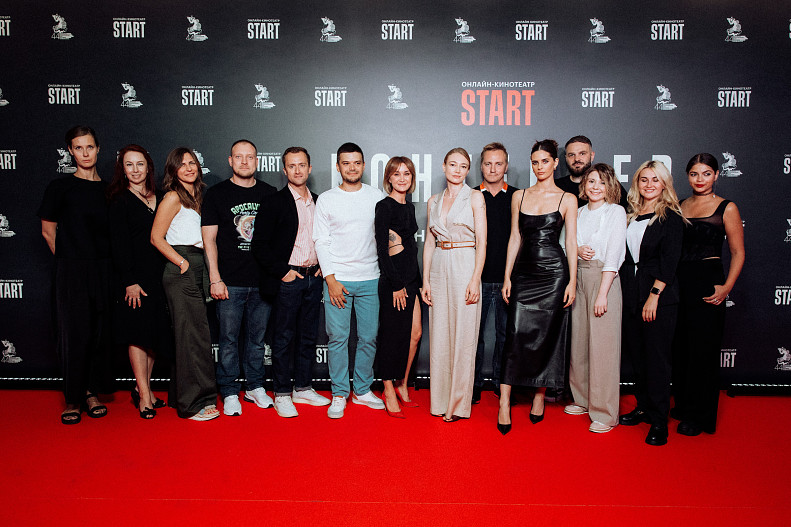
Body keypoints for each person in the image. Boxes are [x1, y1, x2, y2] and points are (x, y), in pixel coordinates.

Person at [498, 139, 577, 434]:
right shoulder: (519, 196)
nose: (539, 167)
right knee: (515, 335)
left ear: (555, 163)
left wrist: (572, 280)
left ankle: (539, 396)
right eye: (535, 162)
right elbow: (515, 238)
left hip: (554, 275)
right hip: (524, 273)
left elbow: (571, 242)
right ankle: (504, 401)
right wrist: (507, 277)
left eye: (545, 161)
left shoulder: (567, 199)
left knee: (547, 336)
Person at [38, 125, 111, 424]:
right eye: (78, 148)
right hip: (71, 269)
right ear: (70, 151)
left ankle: (92, 392)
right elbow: (48, 231)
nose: (85, 153)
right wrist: (71, 259)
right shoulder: (60, 187)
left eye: (89, 147)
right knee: (73, 333)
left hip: (104, 268)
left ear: (98, 149)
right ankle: (73, 398)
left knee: (99, 332)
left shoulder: (110, 190)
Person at [251, 146, 331, 418]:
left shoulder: (320, 202)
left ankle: (303, 387)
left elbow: (327, 240)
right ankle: (282, 393)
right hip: (288, 279)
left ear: (310, 168)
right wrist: (282, 272)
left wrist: (322, 266)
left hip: (313, 279)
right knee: (284, 338)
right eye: (292, 166)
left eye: (302, 165)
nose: (298, 170)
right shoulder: (274, 202)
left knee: (308, 336)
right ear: (284, 170)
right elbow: (259, 245)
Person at [201, 140, 276, 416]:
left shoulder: (269, 194)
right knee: (229, 340)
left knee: (257, 340)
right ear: (230, 160)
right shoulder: (216, 194)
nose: (245, 162)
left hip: (261, 281)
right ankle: (230, 391)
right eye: (239, 157)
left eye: (250, 157)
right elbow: (208, 240)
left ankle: (255, 386)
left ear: (257, 160)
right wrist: (215, 277)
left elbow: (277, 239)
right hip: (229, 281)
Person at [671, 153, 745, 436]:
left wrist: (727, 286)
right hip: (680, 281)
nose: (699, 179)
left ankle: (700, 416)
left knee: (703, 350)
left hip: (707, 280)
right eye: (694, 174)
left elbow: (738, 252)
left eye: (705, 173)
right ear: (687, 176)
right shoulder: (680, 205)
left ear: (716, 175)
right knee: (681, 348)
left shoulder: (727, 207)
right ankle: (683, 405)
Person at [313, 142, 385, 418]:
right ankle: (340, 393)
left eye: (356, 163)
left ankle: (363, 390)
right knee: (338, 338)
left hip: (370, 279)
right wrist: (330, 279)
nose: (352, 168)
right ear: (338, 166)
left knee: (368, 338)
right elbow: (321, 241)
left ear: (363, 165)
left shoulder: (376, 196)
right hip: (338, 280)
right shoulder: (327, 199)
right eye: (346, 163)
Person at [618, 160, 684, 446]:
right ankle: (643, 407)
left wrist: (654, 296)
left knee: (657, 361)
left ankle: (659, 421)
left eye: (655, 180)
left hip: (659, 298)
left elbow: (670, 261)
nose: (649, 185)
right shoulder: (631, 214)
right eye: (644, 179)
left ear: (665, 184)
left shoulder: (670, 216)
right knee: (638, 358)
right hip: (631, 294)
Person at [151, 147, 219, 421]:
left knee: (190, 335)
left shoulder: (198, 197)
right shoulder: (172, 197)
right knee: (193, 337)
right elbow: (156, 237)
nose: (189, 168)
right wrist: (182, 263)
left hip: (198, 264)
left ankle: (180, 395)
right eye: (182, 164)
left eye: (192, 163)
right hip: (183, 265)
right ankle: (193, 405)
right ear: (173, 170)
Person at [421, 147, 487, 422]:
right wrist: (425, 279)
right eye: (453, 164)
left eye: (463, 166)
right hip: (439, 265)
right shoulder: (433, 201)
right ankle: (439, 401)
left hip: (464, 262)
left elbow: (482, 242)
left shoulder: (475, 197)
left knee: (464, 336)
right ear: (444, 166)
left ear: (468, 170)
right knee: (439, 336)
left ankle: (458, 405)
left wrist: (475, 279)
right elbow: (429, 243)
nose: (457, 170)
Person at [107, 145, 172, 419]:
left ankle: (142, 387)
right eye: (129, 165)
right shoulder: (119, 200)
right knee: (137, 334)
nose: (135, 170)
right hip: (134, 278)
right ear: (123, 169)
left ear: (148, 167)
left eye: (140, 164)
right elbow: (118, 245)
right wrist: (129, 281)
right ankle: (144, 394)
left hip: (160, 274)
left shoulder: (162, 197)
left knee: (153, 334)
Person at [566, 163, 627, 433]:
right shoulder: (578, 212)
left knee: (603, 347)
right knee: (579, 343)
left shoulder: (615, 212)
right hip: (579, 275)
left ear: (610, 186)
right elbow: (566, 244)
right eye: (591, 181)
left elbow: (614, 253)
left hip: (604, 278)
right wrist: (577, 249)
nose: (595, 187)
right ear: (584, 184)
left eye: (602, 182)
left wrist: (603, 294)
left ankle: (604, 412)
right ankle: (582, 399)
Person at [375, 156, 423, 418]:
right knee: (392, 336)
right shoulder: (384, 207)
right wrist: (395, 284)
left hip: (412, 280)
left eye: (407, 173)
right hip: (394, 283)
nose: (402, 178)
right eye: (397, 174)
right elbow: (383, 251)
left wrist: (419, 282)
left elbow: (410, 248)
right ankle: (388, 388)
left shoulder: (410, 208)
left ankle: (402, 383)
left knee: (414, 334)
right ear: (389, 178)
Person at [473, 143, 517, 403]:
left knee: (505, 336)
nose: (493, 169)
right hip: (476, 279)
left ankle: (503, 384)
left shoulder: (516, 196)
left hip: (507, 280)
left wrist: (511, 277)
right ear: (481, 166)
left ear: (506, 166)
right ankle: (473, 385)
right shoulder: (470, 196)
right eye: (488, 163)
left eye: (498, 163)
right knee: (473, 337)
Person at [556, 136, 628, 209]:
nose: (577, 159)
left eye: (582, 154)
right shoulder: (557, 186)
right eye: (571, 155)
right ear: (566, 158)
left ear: (592, 155)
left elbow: (628, 212)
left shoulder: (609, 184)